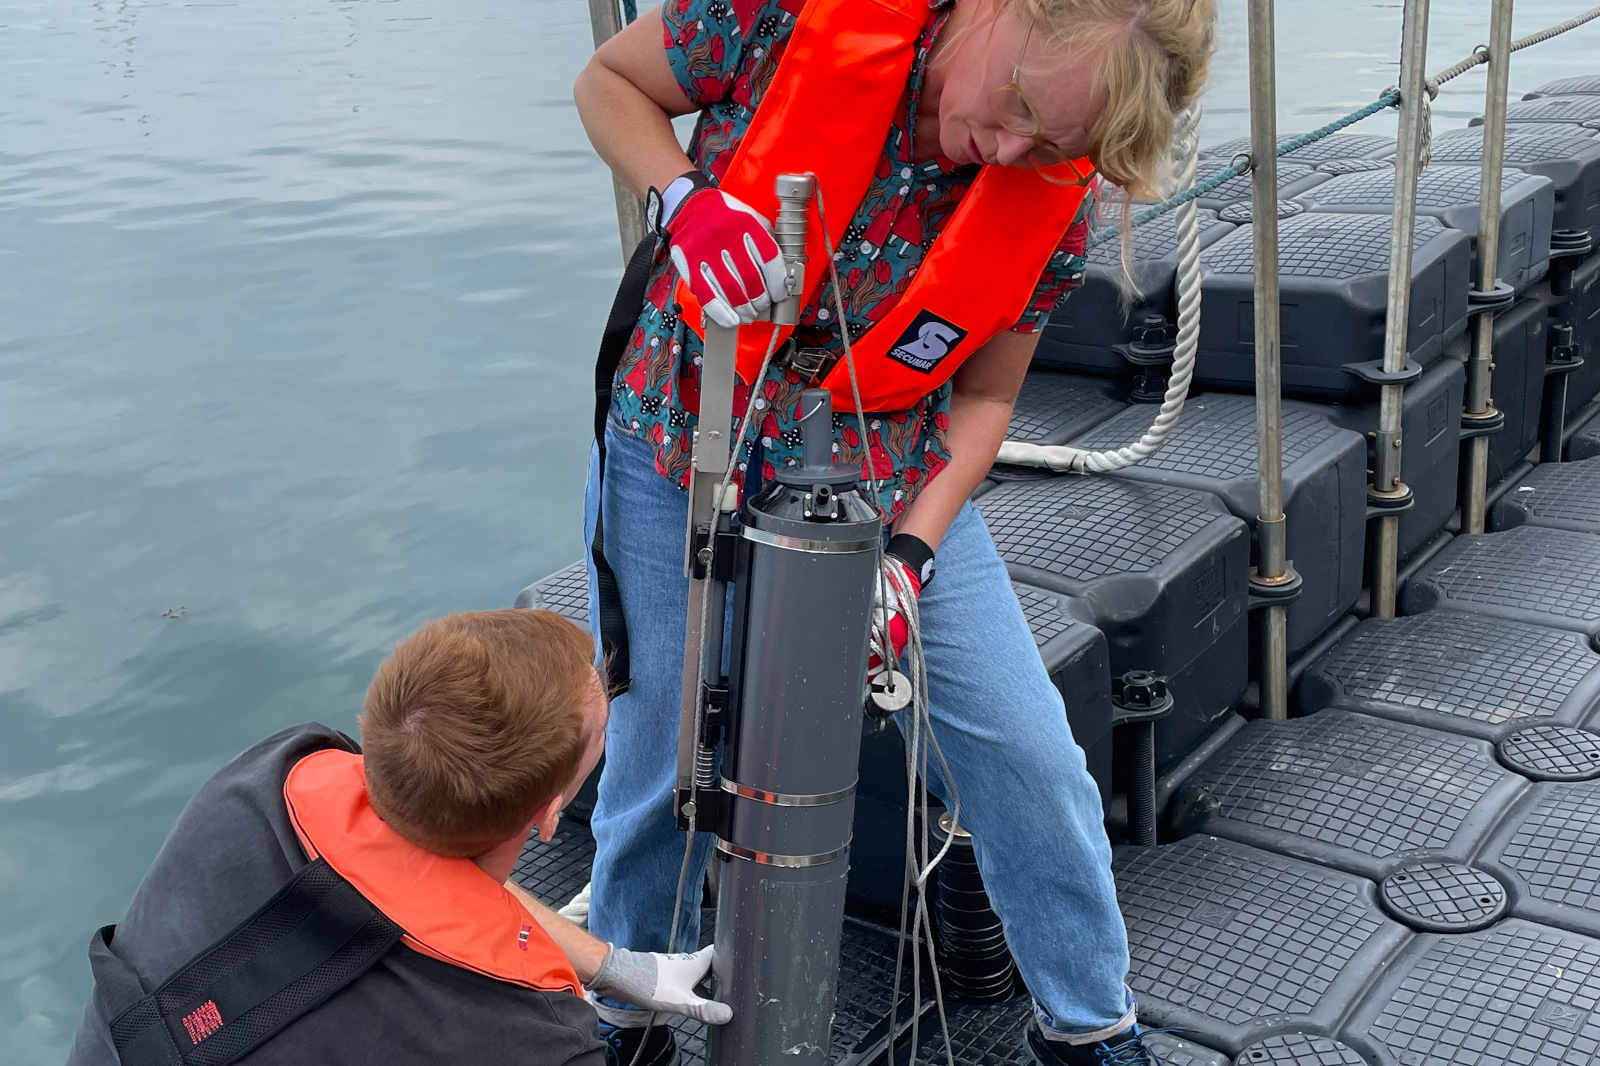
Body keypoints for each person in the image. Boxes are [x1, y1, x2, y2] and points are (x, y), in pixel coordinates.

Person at [572, 0, 1215, 1062]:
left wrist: (911, 555)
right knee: (656, 776)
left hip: (882, 485)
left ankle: (1092, 1026)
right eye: (1012, 109)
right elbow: (609, 83)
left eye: (1045, 142)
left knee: (1029, 755)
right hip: (680, 442)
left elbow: (984, 405)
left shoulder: (1050, 197)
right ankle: (624, 1020)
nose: (1007, 151)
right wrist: (683, 200)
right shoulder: (782, 13)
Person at [66, 609, 730, 1066]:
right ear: (550, 816)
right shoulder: (537, 1040)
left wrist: (615, 968)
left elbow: (413, 878)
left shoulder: (261, 784)